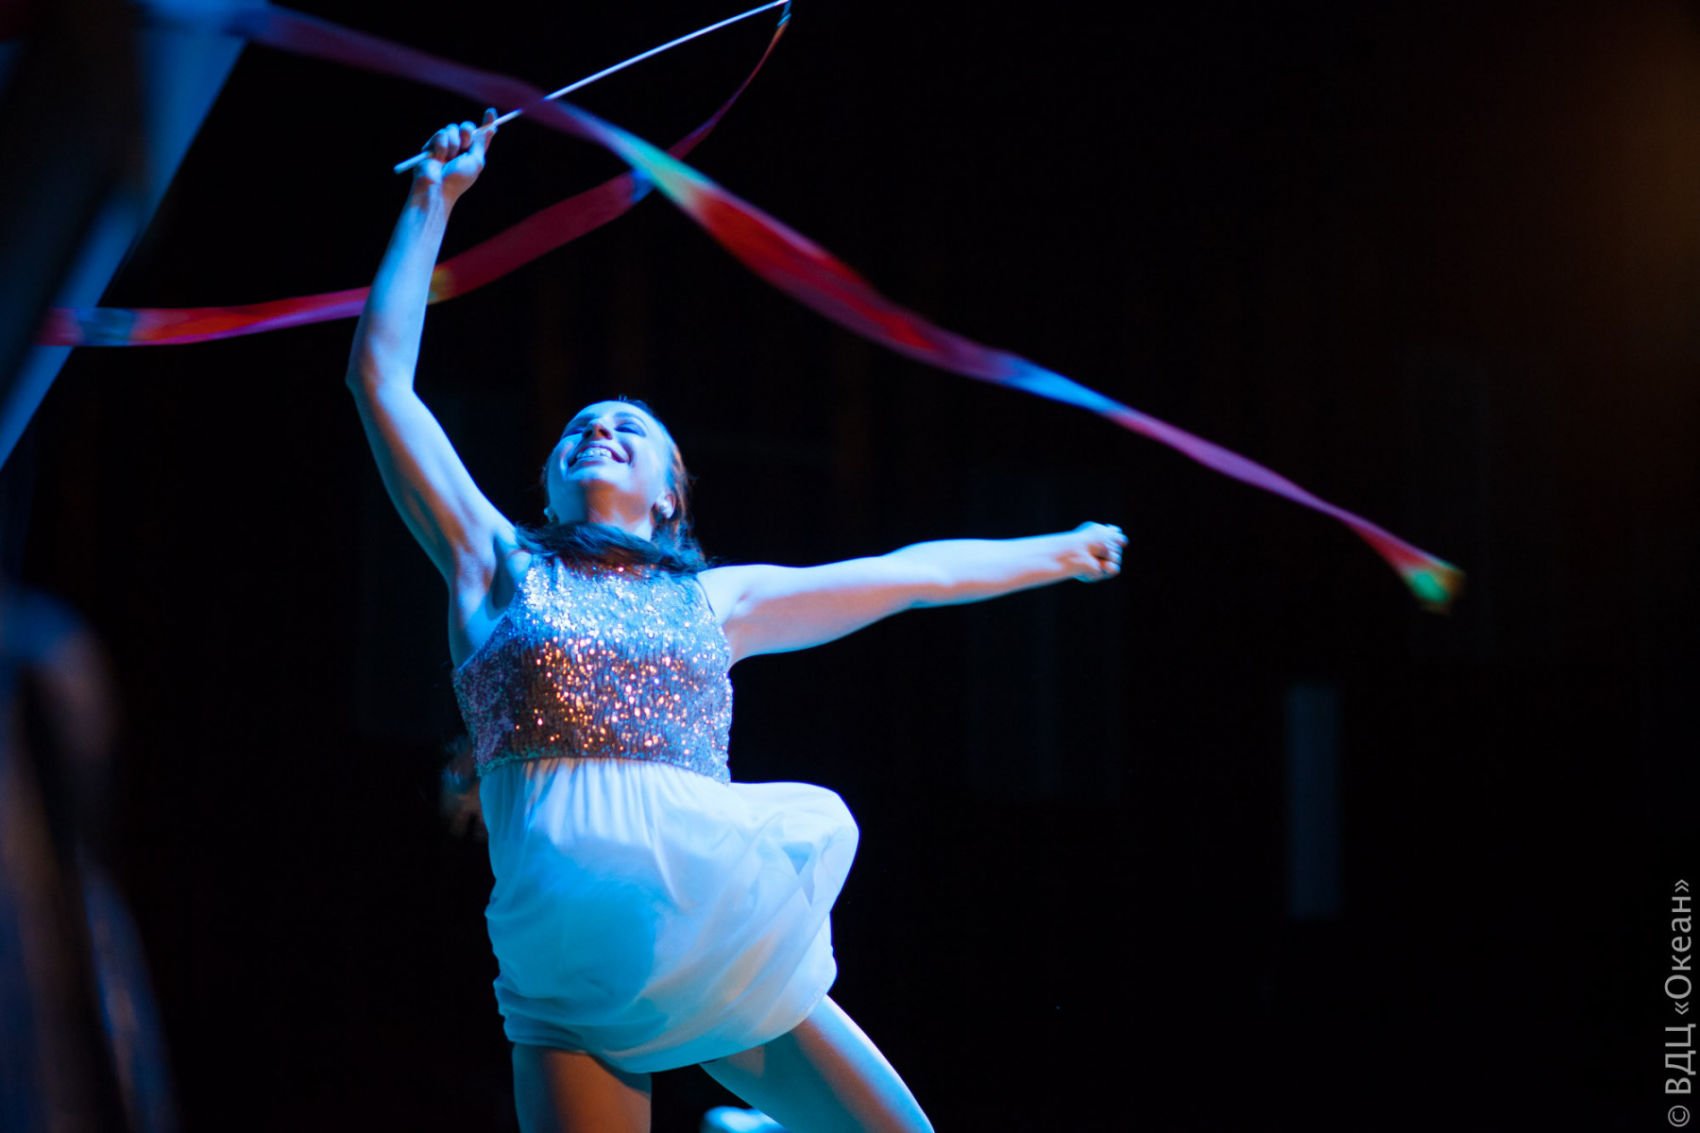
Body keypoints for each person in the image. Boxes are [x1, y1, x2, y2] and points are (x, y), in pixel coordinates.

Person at [346, 112, 1128, 1133]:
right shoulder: (493, 564)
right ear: (549, 477)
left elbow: (907, 576)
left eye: (630, 428)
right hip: (562, 975)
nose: (601, 429)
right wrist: (431, 198)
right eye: (581, 426)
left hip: (714, 936)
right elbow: (380, 381)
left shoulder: (715, 600)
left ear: (669, 493)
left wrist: (1057, 552)